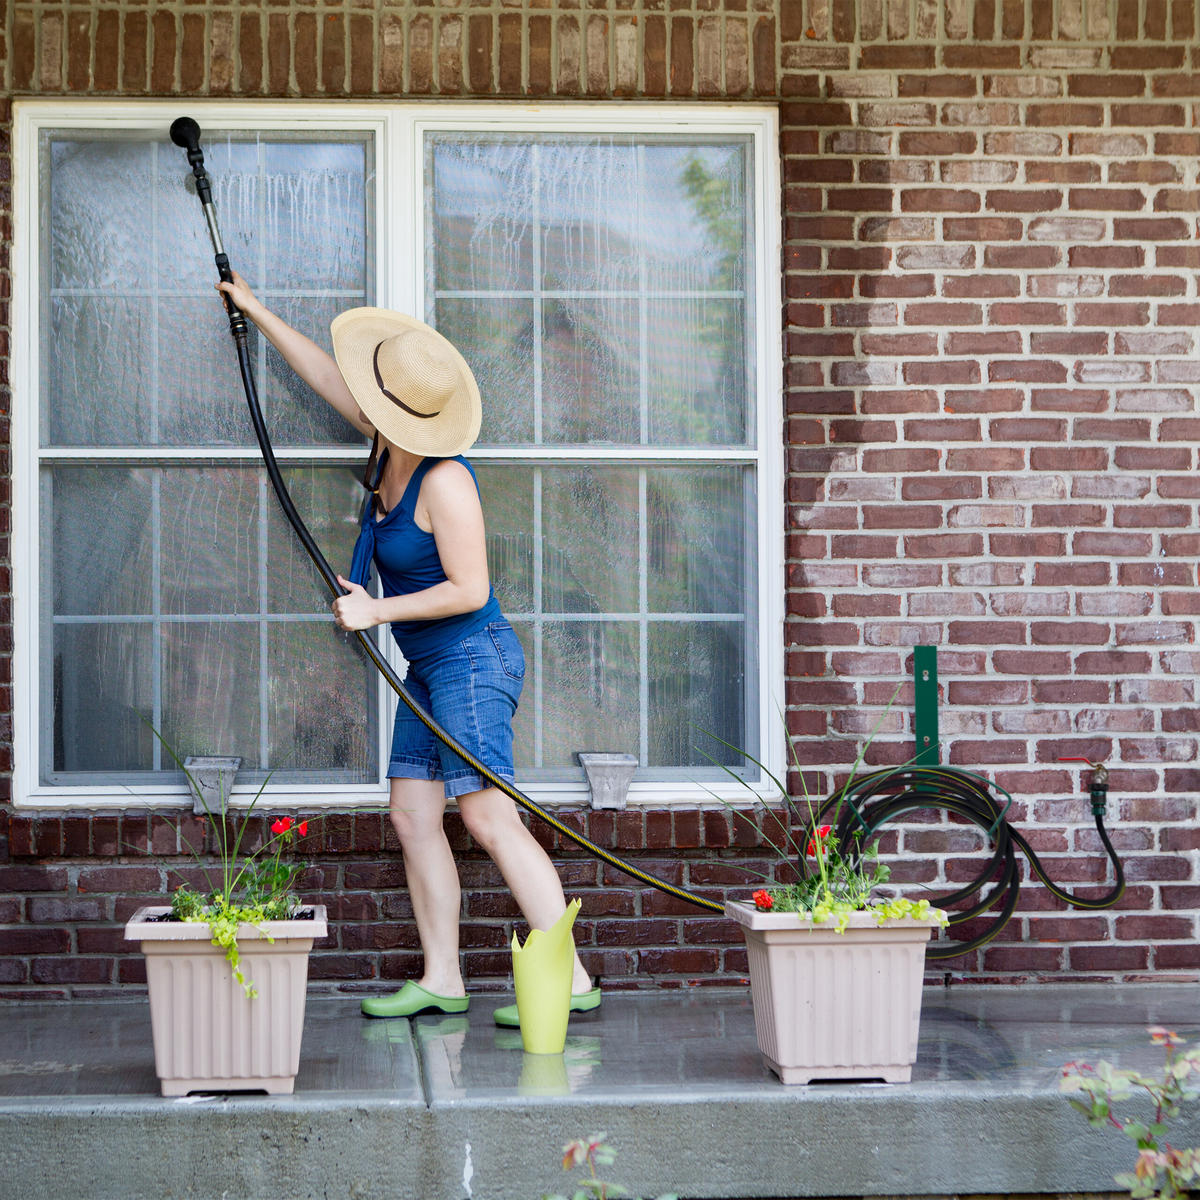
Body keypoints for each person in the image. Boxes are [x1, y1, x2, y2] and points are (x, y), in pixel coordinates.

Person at [217, 272, 598, 1023]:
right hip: (431, 666)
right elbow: (323, 375)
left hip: (472, 656)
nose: (357, 395)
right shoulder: (387, 444)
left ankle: (573, 982)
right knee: (413, 817)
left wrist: (375, 610)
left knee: (488, 816)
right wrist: (256, 307)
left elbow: (470, 588)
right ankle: (443, 978)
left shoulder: (443, 479)